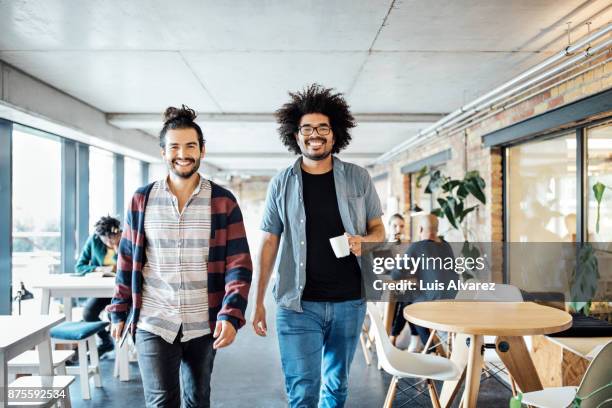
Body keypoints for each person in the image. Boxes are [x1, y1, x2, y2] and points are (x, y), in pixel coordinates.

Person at [107, 105, 252, 408]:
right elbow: (128, 259)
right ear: (163, 152)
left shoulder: (223, 202)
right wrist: (119, 310)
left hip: (204, 321)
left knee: (197, 399)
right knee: (161, 402)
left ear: (202, 150)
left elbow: (238, 265)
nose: (182, 154)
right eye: (174, 147)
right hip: (154, 320)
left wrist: (231, 313)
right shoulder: (142, 200)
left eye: (190, 146)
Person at [251, 84, 385, 408]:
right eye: (307, 128)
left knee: (336, 388)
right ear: (296, 136)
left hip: (349, 303)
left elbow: (378, 230)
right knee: (302, 391)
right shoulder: (281, 183)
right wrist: (257, 302)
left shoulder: (358, 178)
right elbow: (269, 240)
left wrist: (364, 242)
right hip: (298, 306)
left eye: (322, 127)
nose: (315, 134)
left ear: (334, 134)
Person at [390, 214, 456, 352]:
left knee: (407, 303)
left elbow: (396, 274)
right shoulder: (446, 246)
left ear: (420, 229)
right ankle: (415, 342)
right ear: (437, 230)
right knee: (409, 297)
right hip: (453, 301)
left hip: (433, 303)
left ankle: (430, 348)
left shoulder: (417, 246)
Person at [75, 215, 121, 356]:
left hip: (121, 291)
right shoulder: (94, 240)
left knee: (116, 315)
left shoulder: (126, 238)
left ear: (118, 232)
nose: (108, 241)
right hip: (103, 289)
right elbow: (80, 266)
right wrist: (97, 269)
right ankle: (106, 341)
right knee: (88, 313)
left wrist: (117, 249)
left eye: (111, 237)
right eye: (105, 239)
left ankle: (122, 350)